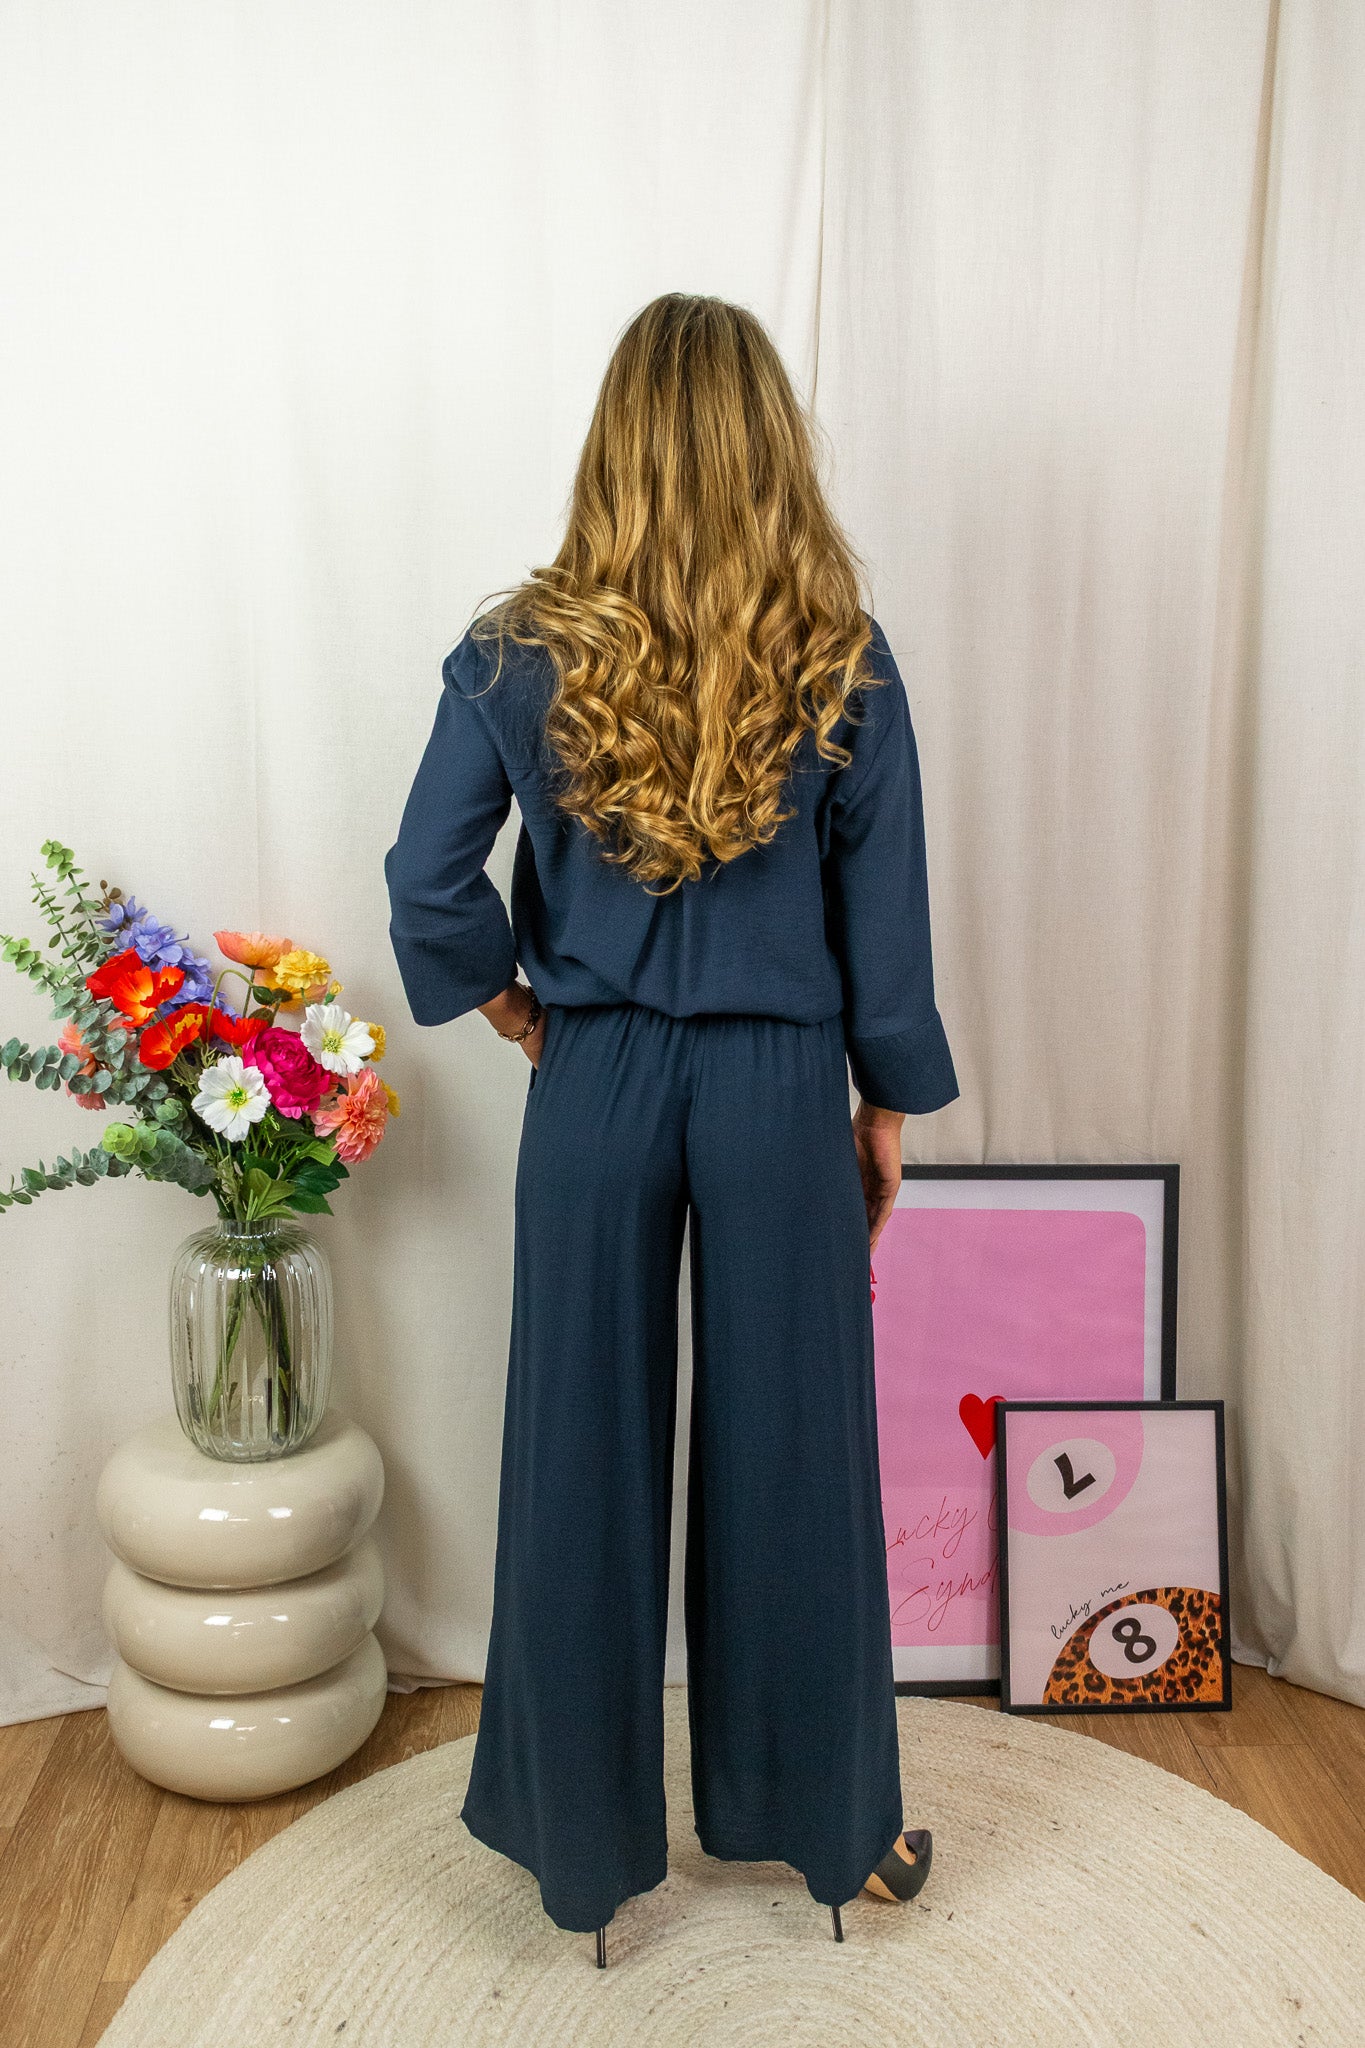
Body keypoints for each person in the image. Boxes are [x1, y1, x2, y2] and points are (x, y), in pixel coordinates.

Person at [384, 291, 960, 1966]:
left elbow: (426, 876)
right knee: (798, 1461)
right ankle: (836, 1833)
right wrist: (881, 1105)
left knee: (577, 1451)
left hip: (599, 1082)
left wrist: (514, 1011)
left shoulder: (517, 649)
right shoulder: (837, 651)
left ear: (613, 444)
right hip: (780, 1085)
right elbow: (884, 925)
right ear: (771, 444)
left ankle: (579, 1856)